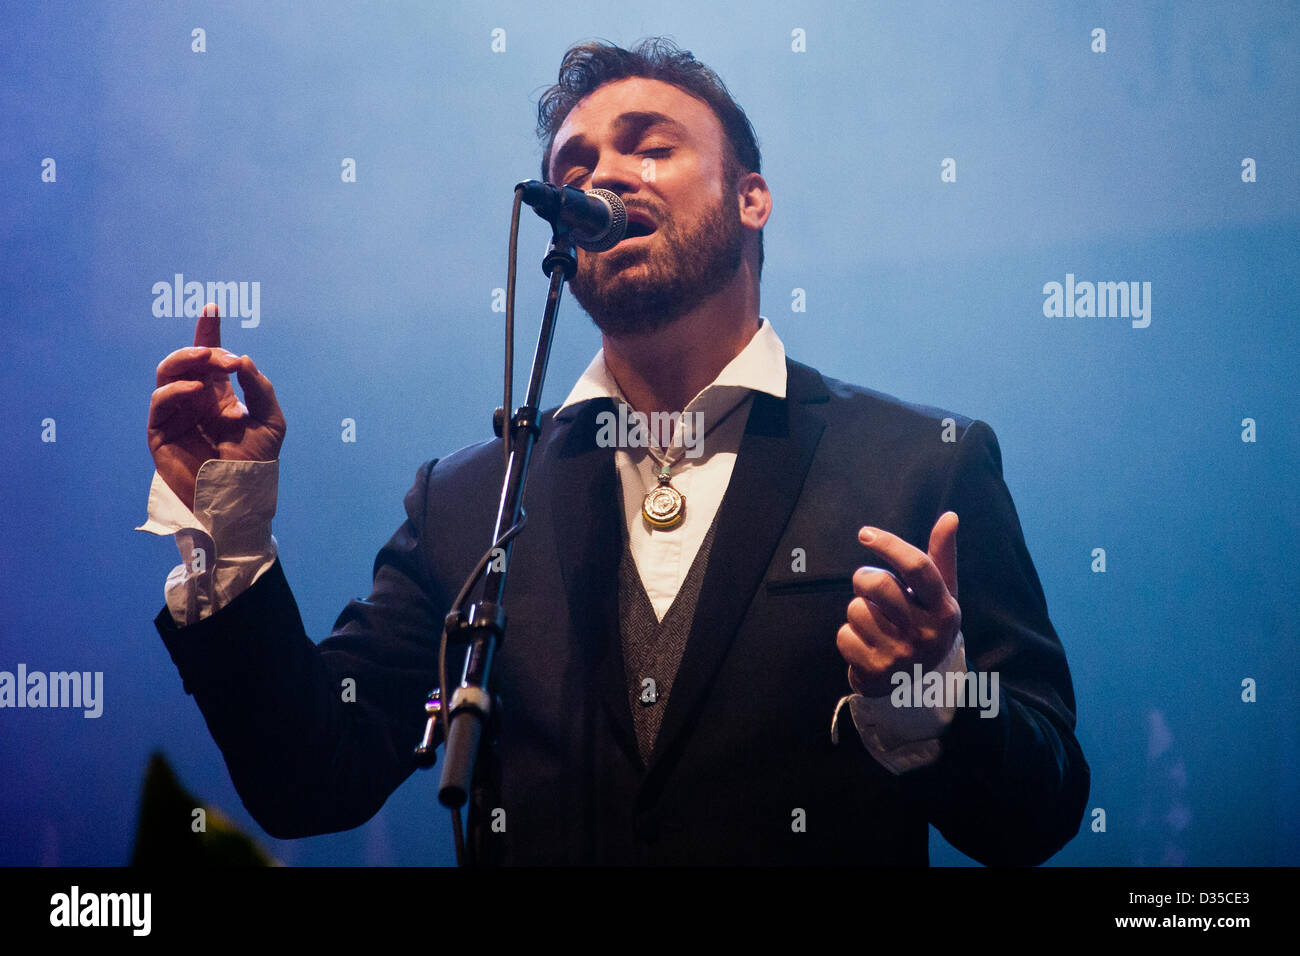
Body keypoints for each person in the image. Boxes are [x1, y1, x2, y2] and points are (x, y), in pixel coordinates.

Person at [139, 38, 1089, 865]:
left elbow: (1040, 815)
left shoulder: (919, 460)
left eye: (652, 146)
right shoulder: (470, 502)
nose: (603, 176)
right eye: (577, 163)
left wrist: (929, 699)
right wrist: (221, 529)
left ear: (752, 198)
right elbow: (314, 777)